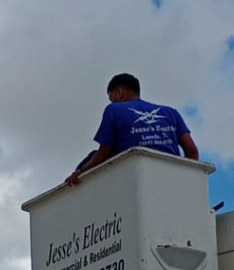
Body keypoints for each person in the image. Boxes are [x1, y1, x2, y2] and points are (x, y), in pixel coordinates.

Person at [65, 73, 199, 186]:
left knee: (91, 157)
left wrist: (80, 172)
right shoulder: (171, 113)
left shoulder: (114, 109)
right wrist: (187, 181)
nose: (112, 102)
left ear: (119, 93)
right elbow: (192, 150)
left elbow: (103, 154)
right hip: (171, 175)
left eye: (111, 98)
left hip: (133, 176)